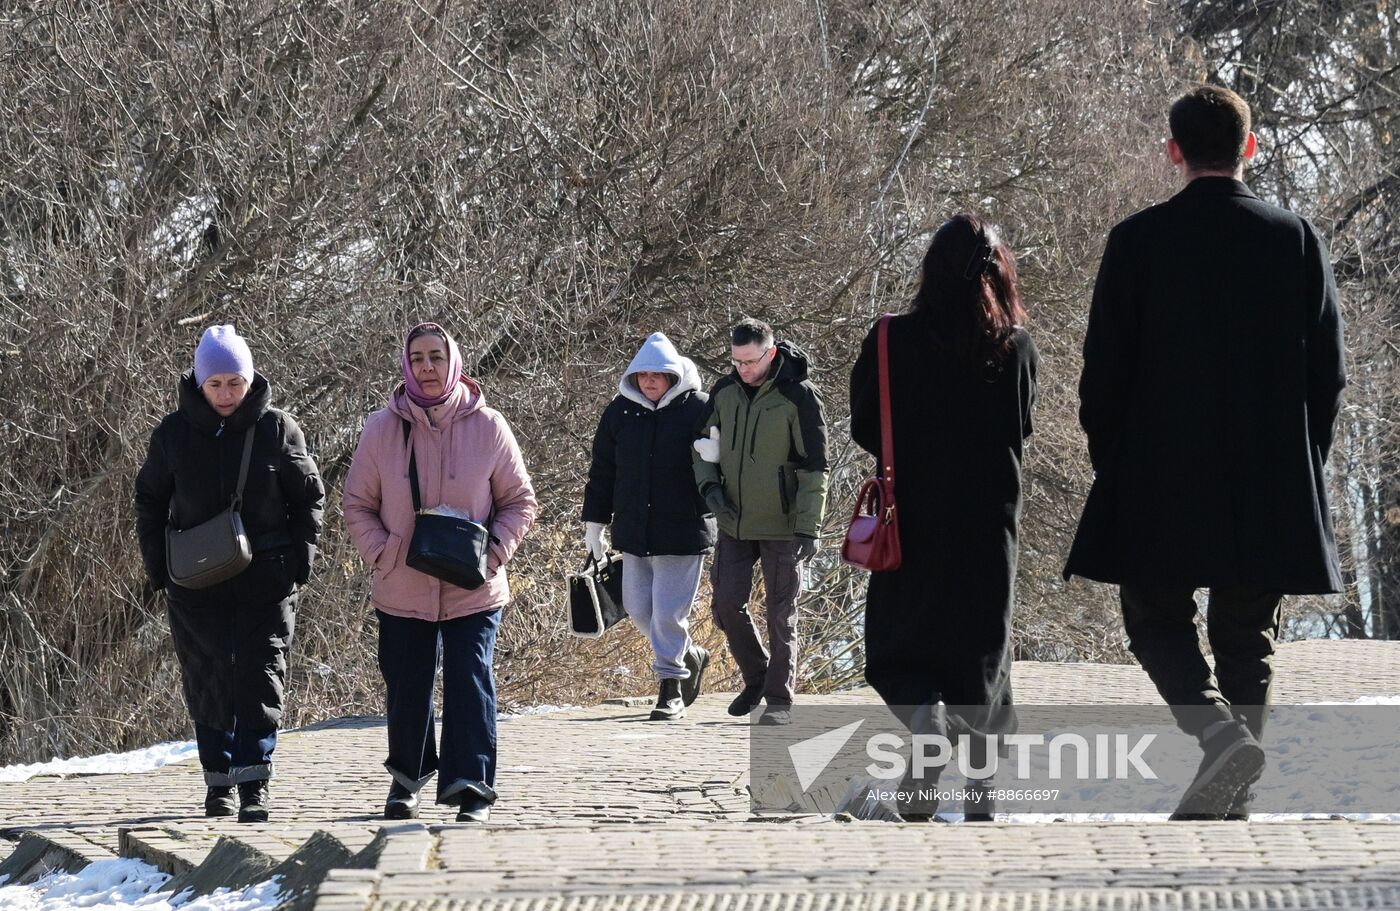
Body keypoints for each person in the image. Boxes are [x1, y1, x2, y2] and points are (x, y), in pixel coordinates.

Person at [1064, 85, 1347, 820]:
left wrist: (1114, 460)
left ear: (1174, 151)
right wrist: (1302, 460)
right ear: (1249, 148)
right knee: (1247, 635)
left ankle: (1220, 744)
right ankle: (1233, 770)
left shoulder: (1137, 241)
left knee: (1153, 617)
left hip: (1159, 472)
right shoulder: (1296, 239)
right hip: (1270, 475)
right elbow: (1329, 373)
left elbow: (1104, 371)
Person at [850, 214, 1038, 822]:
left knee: (898, 646)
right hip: (989, 523)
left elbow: (863, 425)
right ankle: (981, 797)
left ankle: (925, 727)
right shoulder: (1014, 346)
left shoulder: (888, 340)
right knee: (983, 654)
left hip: (912, 517)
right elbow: (1021, 426)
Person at [343, 322, 538, 822]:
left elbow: (519, 502)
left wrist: (492, 556)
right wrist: (385, 554)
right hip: (401, 585)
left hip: (473, 589)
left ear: (453, 362)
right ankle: (406, 778)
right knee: (407, 685)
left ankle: (472, 787)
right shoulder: (380, 428)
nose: (427, 367)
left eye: (436, 357)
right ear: (406, 365)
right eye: (418, 358)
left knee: (470, 680)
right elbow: (356, 504)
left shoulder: (489, 426)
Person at [134, 324, 325, 823]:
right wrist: (161, 570)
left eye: (234, 383)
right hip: (195, 584)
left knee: (261, 676)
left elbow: (310, 498)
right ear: (199, 383)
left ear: (250, 379)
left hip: (267, 579)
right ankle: (218, 783)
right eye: (215, 383)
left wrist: (297, 563)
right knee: (207, 675)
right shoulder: (172, 435)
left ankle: (254, 783)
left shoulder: (277, 429)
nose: (226, 394)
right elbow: (149, 501)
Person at [693, 318, 828, 725]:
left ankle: (779, 701)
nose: (742, 370)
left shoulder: (799, 397)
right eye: (736, 362)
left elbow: (815, 467)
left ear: (770, 353)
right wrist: (710, 490)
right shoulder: (724, 391)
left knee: (780, 613)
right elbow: (702, 447)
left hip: (785, 525)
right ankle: (756, 677)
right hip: (733, 520)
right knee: (726, 605)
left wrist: (809, 526)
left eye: (750, 362)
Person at [583, 332, 716, 720]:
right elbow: (603, 471)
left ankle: (670, 686)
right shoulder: (619, 412)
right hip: (634, 529)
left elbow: (722, 461)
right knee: (640, 609)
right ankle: (689, 654)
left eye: (657, 374)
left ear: (673, 375)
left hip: (683, 529)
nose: (650, 381)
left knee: (668, 615)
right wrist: (595, 523)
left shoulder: (700, 409)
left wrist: (717, 456)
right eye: (643, 374)